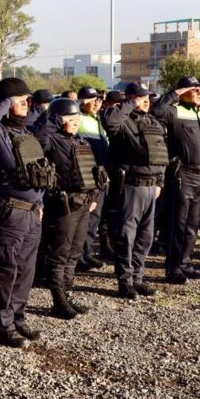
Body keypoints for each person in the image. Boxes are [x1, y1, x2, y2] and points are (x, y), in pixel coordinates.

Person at [0, 78, 54, 345]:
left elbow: (40, 173)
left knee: (26, 270)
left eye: (27, 101)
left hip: (33, 212)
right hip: (11, 213)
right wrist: (6, 103)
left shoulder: (26, 133)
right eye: (21, 101)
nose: (27, 105)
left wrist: (42, 204)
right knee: (6, 270)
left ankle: (18, 318)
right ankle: (2, 325)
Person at [33, 97, 99, 315]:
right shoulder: (51, 140)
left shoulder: (81, 142)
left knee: (74, 253)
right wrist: (53, 119)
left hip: (84, 204)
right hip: (64, 206)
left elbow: (92, 172)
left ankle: (68, 294)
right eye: (69, 118)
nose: (75, 121)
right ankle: (58, 300)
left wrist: (94, 197)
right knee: (60, 254)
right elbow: (37, 138)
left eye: (76, 117)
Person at [101, 83, 167, 298]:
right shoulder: (121, 120)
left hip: (151, 187)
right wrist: (130, 103)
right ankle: (125, 281)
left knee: (146, 237)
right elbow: (109, 120)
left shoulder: (151, 121)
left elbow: (160, 153)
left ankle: (138, 278)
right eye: (141, 96)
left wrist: (160, 182)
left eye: (148, 97)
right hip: (131, 186)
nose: (146, 100)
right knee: (126, 237)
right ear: (129, 98)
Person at [149, 76, 200, 283]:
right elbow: (156, 111)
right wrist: (176, 93)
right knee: (179, 224)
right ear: (183, 91)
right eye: (195, 89)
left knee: (192, 225)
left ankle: (185, 262)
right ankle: (173, 268)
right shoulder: (174, 111)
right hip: (182, 174)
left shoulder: (198, 114)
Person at [76, 87, 109, 271]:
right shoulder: (78, 118)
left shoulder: (97, 120)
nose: (97, 103)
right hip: (86, 177)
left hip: (99, 177)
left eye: (99, 99)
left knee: (94, 219)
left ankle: (86, 253)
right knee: (84, 218)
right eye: (92, 99)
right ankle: (78, 256)